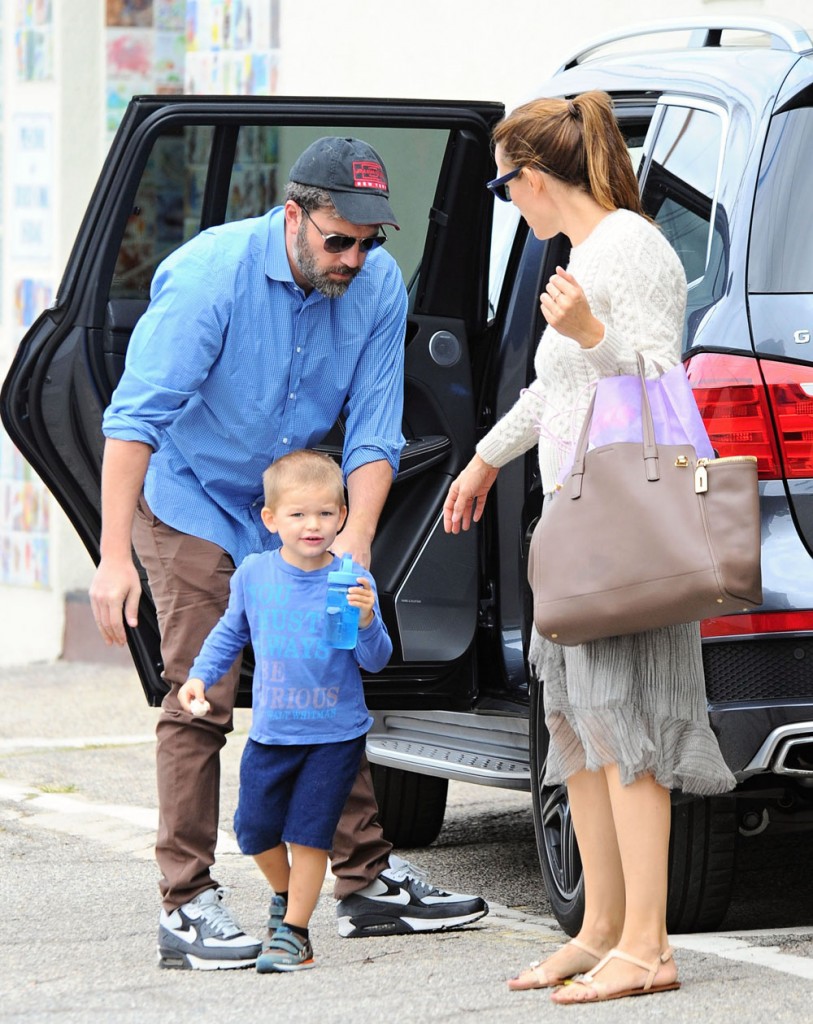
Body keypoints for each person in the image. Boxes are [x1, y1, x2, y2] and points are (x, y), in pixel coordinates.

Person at [90, 135, 488, 971]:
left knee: (319, 674)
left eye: (368, 242)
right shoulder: (211, 277)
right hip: (191, 496)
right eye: (337, 239)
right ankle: (188, 900)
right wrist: (112, 555)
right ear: (293, 214)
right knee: (202, 687)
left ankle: (362, 883)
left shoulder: (374, 285)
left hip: (295, 505)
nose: (352, 258)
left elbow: (377, 432)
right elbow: (135, 418)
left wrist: (354, 546)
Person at [443, 92, 735, 1004]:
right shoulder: (580, 254)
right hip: (576, 521)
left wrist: (590, 333)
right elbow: (556, 391)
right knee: (577, 728)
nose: (511, 204)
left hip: (624, 526)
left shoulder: (631, 248)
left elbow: (657, 377)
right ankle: (601, 929)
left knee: (629, 729)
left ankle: (647, 946)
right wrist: (485, 460)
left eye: (504, 188)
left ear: (529, 177)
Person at [178, 450, 393, 973]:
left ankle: (295, 932)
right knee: (253, 831)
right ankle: (284, 896)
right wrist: (199, 676)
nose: (312, 525)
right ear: (271, 520)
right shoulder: (254, 573)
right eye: (298, 514)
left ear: (342, 517)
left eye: (324, 513)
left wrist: (366, 621)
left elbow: (375, 659)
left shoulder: (350, 579)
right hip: (272, 734)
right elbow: (230, 632)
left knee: (309, 835)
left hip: (334, 734)